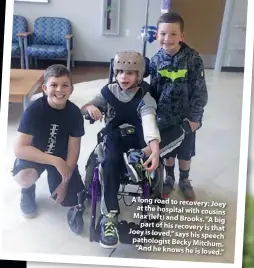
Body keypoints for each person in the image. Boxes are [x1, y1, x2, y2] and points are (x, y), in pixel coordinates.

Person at [81, 50, 161, 249]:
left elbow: (149, 122)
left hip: (138, 139)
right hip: (114, 139)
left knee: (143, 148)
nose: (124, 77)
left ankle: (136, 158)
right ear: (115, 72)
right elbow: (86, 107)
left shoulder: (146, 95)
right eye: (120, 72)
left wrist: (155, 149)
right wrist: (90, 108)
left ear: (139, 75)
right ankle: (109, 218)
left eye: (130, 73)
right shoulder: (108, 91)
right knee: (108, 160)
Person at [125, 11, 208, 201]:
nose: (167, 38)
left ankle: (184, 180)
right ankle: (169, 178)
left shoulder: (193, 59)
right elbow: (152, 88)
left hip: (186, 118)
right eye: (163, 34)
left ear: (182, 36)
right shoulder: (155, 60)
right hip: (163, 115)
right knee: (169, 148)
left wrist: (195, 117)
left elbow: (200, 91)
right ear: (156, 36)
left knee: (185, 151)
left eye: (172, 34)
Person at [12, 64, 85, 218]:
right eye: (54, 85)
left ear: (71, 89)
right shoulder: (34, 110)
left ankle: (59, 180)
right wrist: (54, 160)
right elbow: (19, 149)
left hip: (62, 157)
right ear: (45, 88)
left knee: (71, 199)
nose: (59, 90)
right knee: (24, 177)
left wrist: (64, 184)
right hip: (36, 155)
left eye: (65, 85)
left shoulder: (75, 114)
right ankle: (27, 191)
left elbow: (74, 151)